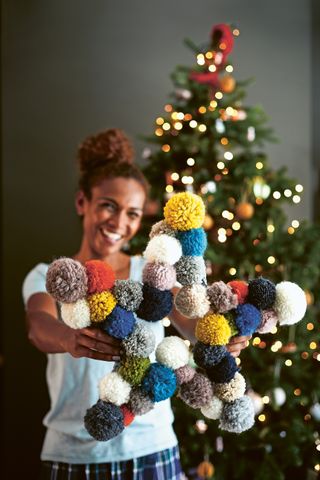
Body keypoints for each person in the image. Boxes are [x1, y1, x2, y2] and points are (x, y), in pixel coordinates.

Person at [22, 128, 250, 480]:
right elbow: (38, 326)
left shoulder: (150, 274)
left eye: (133, 213)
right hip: (71, 454)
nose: (119, 223)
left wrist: (220, 336)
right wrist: (68, 339)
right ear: (83, 202)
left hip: (151, 447)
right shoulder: (50, 276)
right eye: (108, 206)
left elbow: (190, 322)